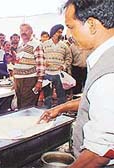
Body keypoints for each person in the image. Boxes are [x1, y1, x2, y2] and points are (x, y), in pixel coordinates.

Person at [39, 0, 114, 167]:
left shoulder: (108, 75)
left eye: (71, 27)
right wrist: (60, 108)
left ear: (92, 25)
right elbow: (98, 100)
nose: (68, 34)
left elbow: (99, 153)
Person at [13, 23, 45, 109]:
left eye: (26, 30)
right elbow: (18, 63)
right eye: (22, 30)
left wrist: (39, 81)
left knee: (27, 107)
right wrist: (15, 79)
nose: (23, 32)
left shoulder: (36, 44)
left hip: (30, 80)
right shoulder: (20, 46)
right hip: (19, 80)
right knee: (20, 106)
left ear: (31, 31)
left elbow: (41, 64)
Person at [42, 24, 72, 108]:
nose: (60, 34)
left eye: (61, 32)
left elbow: (69, 58)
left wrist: (63, 66)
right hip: (47, 73)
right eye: (58, 32)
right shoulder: (44, 44)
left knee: (61, 95)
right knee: (47, 96)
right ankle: (47, 111)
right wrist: (44, 62)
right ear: (53, 32)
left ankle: (61, 112)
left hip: (59, 74)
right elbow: (40, 57)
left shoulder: (64, 46)